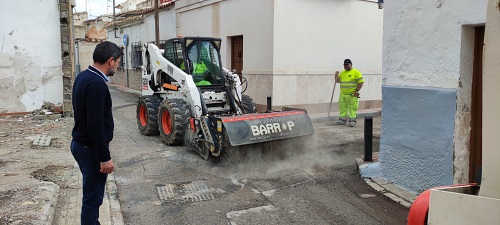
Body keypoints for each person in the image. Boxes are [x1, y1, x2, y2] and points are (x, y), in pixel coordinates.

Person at [71, 41, 122, 224]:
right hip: (90, 149)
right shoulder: (96, 84)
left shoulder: (83, 76)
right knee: (92, 200)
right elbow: (95, 125)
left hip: (81, 145)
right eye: (117, 62)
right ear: (110, 60)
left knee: (92, 197)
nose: (117, 65)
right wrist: (104, 157)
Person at [334, 59, 364, 127]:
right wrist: (336, 75)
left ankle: (352, 121)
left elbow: (361, 82)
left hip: (352, 95)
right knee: (343, 108)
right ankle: (342, 120)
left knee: (352, 108)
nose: (346, 66)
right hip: (343, 94)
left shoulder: (356, 72)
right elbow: (337, 81)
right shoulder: (342, 73)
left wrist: (357, 90)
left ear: (351, 64)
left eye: (347, 65)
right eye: (344, 65)